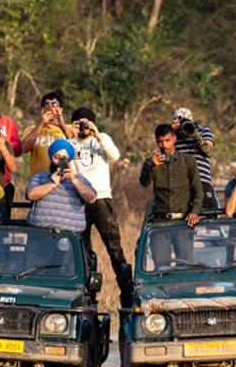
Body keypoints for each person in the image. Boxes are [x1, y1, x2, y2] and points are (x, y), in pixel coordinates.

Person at [68, 106, 133, 307]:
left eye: (87, 123)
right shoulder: (71, 143)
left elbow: (115, 156)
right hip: (78, 201)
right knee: (82, 249)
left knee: (114, 246)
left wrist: (98, 135)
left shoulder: (101, 138)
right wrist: (71, 137)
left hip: (102, 198)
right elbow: (63, 162)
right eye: (80, 123)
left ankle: (127, 291)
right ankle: (86, 294)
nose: (84, 127)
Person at [140, 124, 202, 268]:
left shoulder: (188, 161)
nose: (164, 145)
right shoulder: (151, 162)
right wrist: (153, 168)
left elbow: (198, 190)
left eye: (167, 140)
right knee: (161, 268)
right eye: (160, 141)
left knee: (186, 267)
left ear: (174, 139)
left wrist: (194, 211)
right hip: (160, 224)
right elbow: (144, 183)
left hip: (183, 223)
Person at [25, 139, 97, 233]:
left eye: (64, 158)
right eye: (57, 157)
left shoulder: (80, 180)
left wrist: (74, 180)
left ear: (69, 160)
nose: (59, 162)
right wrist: (52, 184)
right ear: (51, 158)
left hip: (69, 237)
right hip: (39, 233)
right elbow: (30, 195)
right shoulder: (40, 176)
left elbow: (91, 198)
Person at [172, 107, 216, 209]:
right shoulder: (173, 136)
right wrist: (172, 130)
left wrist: (196, 135)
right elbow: (164, 149)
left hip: (202, 180)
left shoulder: (203, 130)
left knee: (208, 213)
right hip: (181, 183)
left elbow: (209, 151)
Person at [21, 91, 72, 178]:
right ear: (42, 109)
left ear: (61, 109)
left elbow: (79, 148)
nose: (52, 109)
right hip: (39, 180)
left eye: (55, 105)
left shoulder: (69, 128)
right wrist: (41, 123)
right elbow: (24, 148)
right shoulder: (32, 129)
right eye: (47, 105)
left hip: (64, 179)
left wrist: (62, 125)